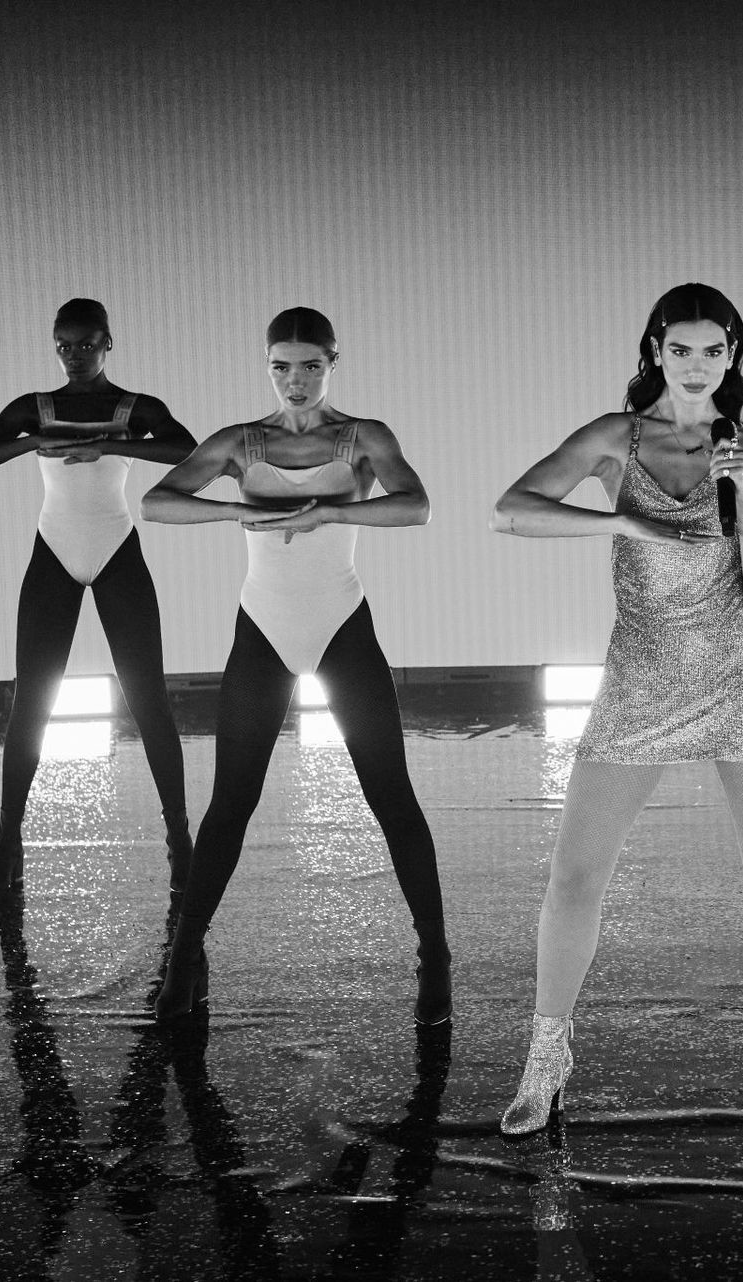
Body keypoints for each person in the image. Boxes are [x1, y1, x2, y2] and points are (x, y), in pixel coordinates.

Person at [490, 283, 743, 1139]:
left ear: (732, 356)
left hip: (742, 679)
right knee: (575, 876)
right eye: (681, 349)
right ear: (657, 351)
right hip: (642, 680)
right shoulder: (615, 438)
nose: (696, 366)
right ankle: (545, 1061)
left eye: (712, 351)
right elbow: (513, 511)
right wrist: (627, 524)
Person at [140, 307, 449, 1024]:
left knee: (391, 797)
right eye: (282, 366)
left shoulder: (364, 436)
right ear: (268, 367)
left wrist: (328, 514)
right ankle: (185, 958)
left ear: (332, 364)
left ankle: (435, 956)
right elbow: (157, 502)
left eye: (310, 366)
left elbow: (416, 507)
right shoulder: (241, 442)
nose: (296, 380)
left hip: (341, 624)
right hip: (264, 629)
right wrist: (234, 513)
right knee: (230, 804)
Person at [0, 298, 196, 896]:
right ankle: (7, 841)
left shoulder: (135, 408)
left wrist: (112, 446)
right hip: (54, 552)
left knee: (149, 700)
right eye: (64, 345)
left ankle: (180, 839)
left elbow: (188, 452)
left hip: (116, 550)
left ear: (108, 343)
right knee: (31, 703)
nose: (75, 356)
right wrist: (31, 440)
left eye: (86, 344)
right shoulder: (34, 407)